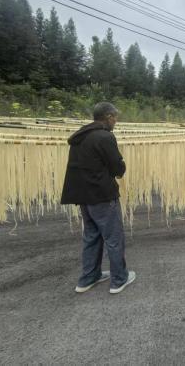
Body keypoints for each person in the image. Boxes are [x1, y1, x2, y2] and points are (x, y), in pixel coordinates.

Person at [61, 102, 136, 294]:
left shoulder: (80, 136)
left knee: (91, 236)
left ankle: (88, 278)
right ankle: (119, 279)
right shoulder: (104, 136)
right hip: (102, 195)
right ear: (108, 117)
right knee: (113, 237)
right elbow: (117, 167)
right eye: (115, 117)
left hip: (83, 195)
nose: (116, 121)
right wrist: (120, 169)